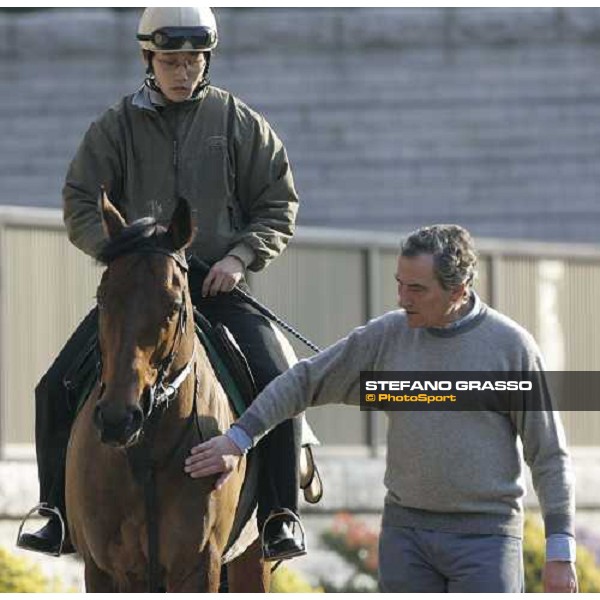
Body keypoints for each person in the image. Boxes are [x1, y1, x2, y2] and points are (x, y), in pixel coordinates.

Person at [18, 6, 305, 562]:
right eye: (170, 61)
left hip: (218, 291)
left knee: (279, 380)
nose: (183, 71)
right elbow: (81, 198)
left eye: (193, 60)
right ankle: (54, 511)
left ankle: (278, 514)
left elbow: (278, 204)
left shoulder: (242, 123)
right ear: (148, 59)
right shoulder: (114, 126)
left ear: (206, 59)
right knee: (54, 387)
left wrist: (242, 257)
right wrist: (119, 255)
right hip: (141, 296)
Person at [185, 224, 578, 593]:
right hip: (406, 539)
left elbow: (548, 455)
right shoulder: (388, 335)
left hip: (487, 542)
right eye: (399, 284)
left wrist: (560, 548)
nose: (402, 298)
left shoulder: (512, 348)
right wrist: (237, 439)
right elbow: (303, 381)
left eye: (417, 289)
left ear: (459, 290)